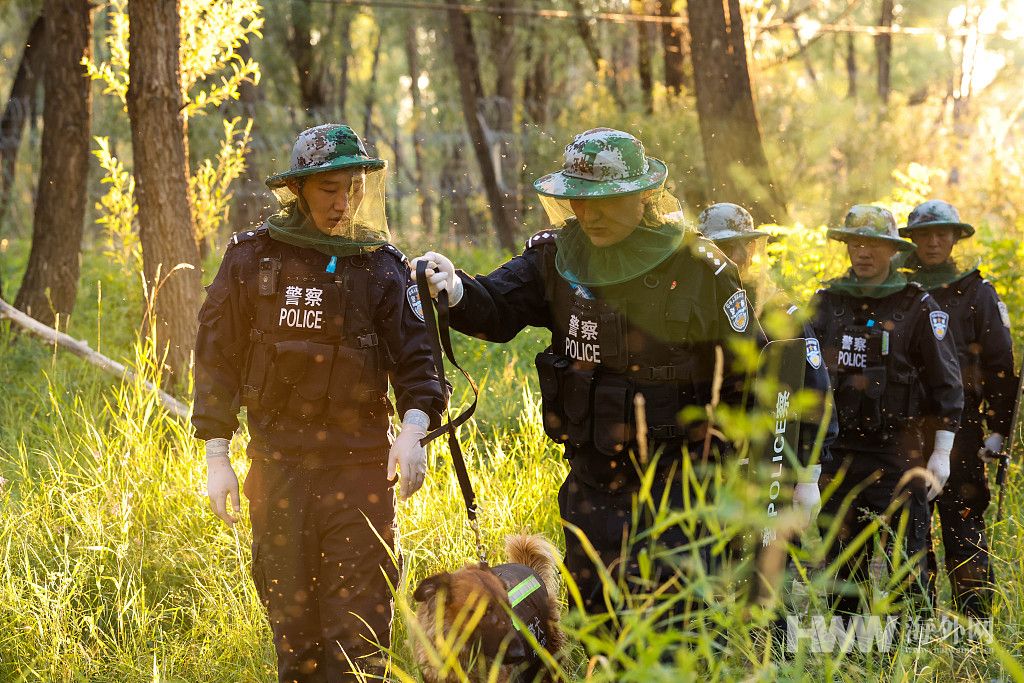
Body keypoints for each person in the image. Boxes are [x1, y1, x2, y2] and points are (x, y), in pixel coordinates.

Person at [412, 128, 765, 613]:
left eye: (605, 201)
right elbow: (497, 308)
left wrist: (768, 472)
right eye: (578, 200)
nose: (589, 213)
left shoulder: (701, 268)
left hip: (680, 481)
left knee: (669, 620)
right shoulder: (558, 258)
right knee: (596, 610)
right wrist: (454, 289)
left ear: (643, 197)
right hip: (593, 476)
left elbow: (753, 371)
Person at [192, 124, 445, 682]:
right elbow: (216, 359)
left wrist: (413, 430)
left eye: (352, 187)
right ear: (300, 190)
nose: (342, 202)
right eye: (329, 189)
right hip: (276, 474)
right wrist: (216, 455)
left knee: (359, 642)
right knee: (295, 639)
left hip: (358, 475)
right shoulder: (251, 260)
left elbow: (418, 361)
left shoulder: (380, 265)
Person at [810, 205, 963, 619]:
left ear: (893, 250)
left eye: (874, 244)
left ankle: (909, 658)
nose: (863, 252)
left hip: (900, 454)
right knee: (842, 562)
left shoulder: (917, 305)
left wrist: (942, 452)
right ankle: (846, 654)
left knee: (907, 564)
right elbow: (805, 382)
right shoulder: (826, 302)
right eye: (856, 243)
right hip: (838, 456)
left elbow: (945, 383)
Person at [899, 200, 1017, 618]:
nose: (933, 242)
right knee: (909, 533)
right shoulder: (895, 286)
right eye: (925, 234)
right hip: (906, 432)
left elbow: (1001, 364)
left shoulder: (976, 291)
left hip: (963, 432)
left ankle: (975, 630)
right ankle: (914, 628)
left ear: (954, 238)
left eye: (942, 234)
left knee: (964, 526)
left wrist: (999, 429)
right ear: (911, 239)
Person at [698, 203, 838, 521]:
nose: (731, 257)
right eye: (719, 248)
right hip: (707, 462)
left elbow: (815, 392)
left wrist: (809, 474)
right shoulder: (693, 311)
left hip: (773, 462)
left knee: (767, 561)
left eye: (738, 247)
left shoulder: (780, 313)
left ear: (752, 249)